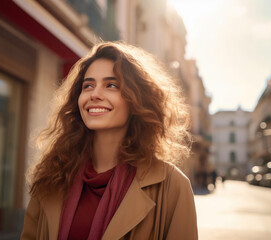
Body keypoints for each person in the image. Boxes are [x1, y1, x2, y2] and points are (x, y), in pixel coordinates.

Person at [21, 42, 198, 240]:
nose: (94, 94)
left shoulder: (173, 186)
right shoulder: (53, 175)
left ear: (136, 99)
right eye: (88, 85)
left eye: (111, 85)